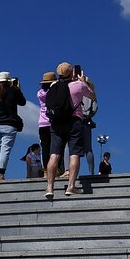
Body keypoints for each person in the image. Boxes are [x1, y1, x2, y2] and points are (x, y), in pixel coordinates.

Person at [45, 62, 96, 199]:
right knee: (74, 154)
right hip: (74, 122)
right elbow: (93, 96)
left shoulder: (53, 86)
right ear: (72, 72)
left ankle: (50, 188)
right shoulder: (79, 85)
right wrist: (84, 82)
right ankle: (71, 186)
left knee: (54, 155)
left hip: (56, 123)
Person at [0, 71, 26, 181]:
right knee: (5, 150)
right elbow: (22, 102)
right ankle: (1, 174)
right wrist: (18, 89)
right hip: (9, 125)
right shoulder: (13, 91)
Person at [37, 71, 57, 171]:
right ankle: (54, 168)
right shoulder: (53, 93)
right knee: (54, 148)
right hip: (52, 122)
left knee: (45, 148)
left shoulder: (39, 93)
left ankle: (45, 170)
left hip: (42, 123)